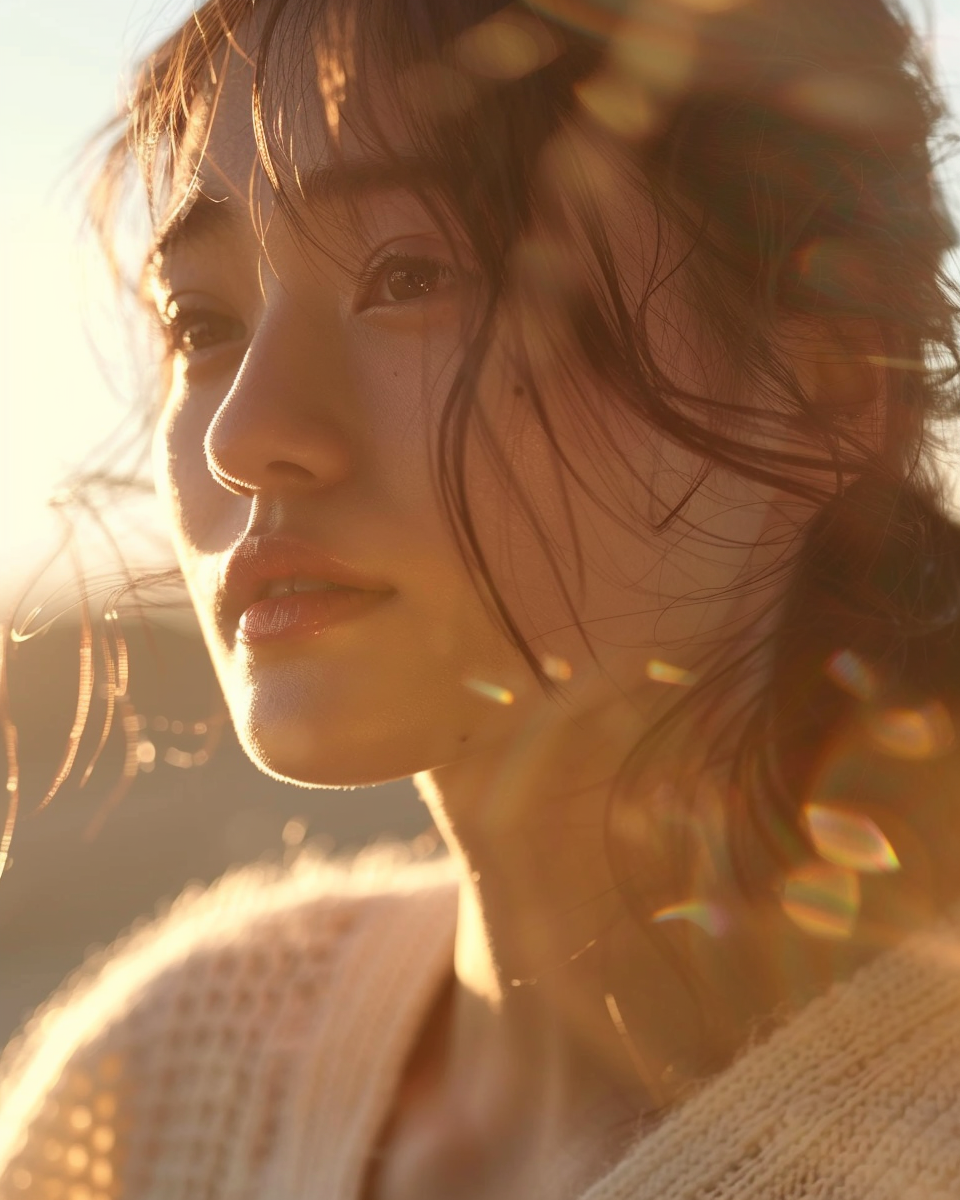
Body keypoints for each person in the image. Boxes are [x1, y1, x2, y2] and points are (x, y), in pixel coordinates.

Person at [2, 0, 960, 1195]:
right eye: (203, 323)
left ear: (825, 383)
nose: (244, 436)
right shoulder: (169, 1081)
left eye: (410, 275)